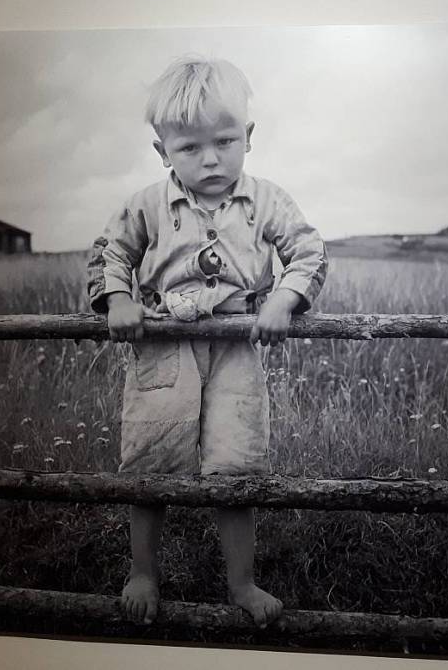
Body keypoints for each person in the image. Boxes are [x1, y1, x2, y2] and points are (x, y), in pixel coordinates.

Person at [86, 57, 327, 627]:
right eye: (190, 148)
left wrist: (280, 301)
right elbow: (110, 251)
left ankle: (241, 583)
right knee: (152, 458)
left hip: (237, 348)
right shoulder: (146, 204)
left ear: (248, 136)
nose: (211, 158)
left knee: (235, 465)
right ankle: (143, 571)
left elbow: (309, 251)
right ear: (162, 149)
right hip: (163, 347)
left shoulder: (266, 200)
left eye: (224, 141)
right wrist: (118, 299)